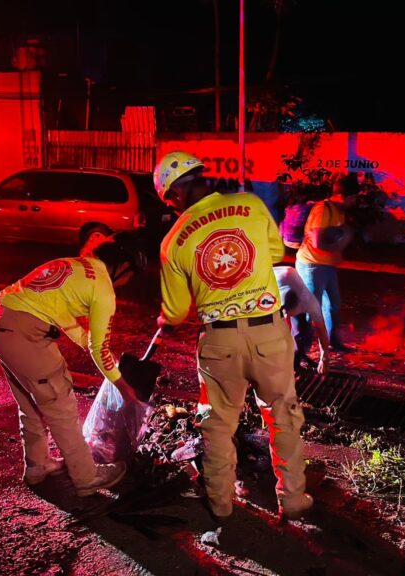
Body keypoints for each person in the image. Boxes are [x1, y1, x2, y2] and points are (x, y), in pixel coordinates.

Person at [153, 151, 313, 521]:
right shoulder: (250, 205)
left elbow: (176, 312)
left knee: (217, 425)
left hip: (219, 342)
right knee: (283, 417)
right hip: (269, 332)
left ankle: (221, 504)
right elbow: (275, 253)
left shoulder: (173, 241)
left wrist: (166, 317)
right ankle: (291, 498)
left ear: (174, 195)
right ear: (201, 178)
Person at [0, 238, 141, 497]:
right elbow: (99, 350)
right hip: (24, 334)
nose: (127, 284)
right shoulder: (104, 290)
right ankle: (86, 477)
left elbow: (58, 311)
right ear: (123, 267)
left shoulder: (71, 265)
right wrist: (122, 385)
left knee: (30, 402)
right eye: (130, 277)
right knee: (60, 403)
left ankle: (37, 466)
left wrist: (87, 342)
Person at [295, 173, 358, 352]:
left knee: (332, 305)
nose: (354, 202)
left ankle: (333, 343)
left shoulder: (340, 212)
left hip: (326, 265)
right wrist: (341, 243)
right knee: (311, 309)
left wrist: (341, 242)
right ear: (344, 196)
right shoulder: (322, 210)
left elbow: (335, 240)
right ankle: (301, 350)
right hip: (311, 265)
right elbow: (318, 242)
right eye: (353, 198)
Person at [273, 265, 330, 374]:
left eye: (289, 314)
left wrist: (325, 358)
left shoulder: (311, 303)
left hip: (288, 277)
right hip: (271, 281)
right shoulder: (271, 297)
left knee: (302, 329)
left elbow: (322, 331)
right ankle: (291, 361)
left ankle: (297, 358)